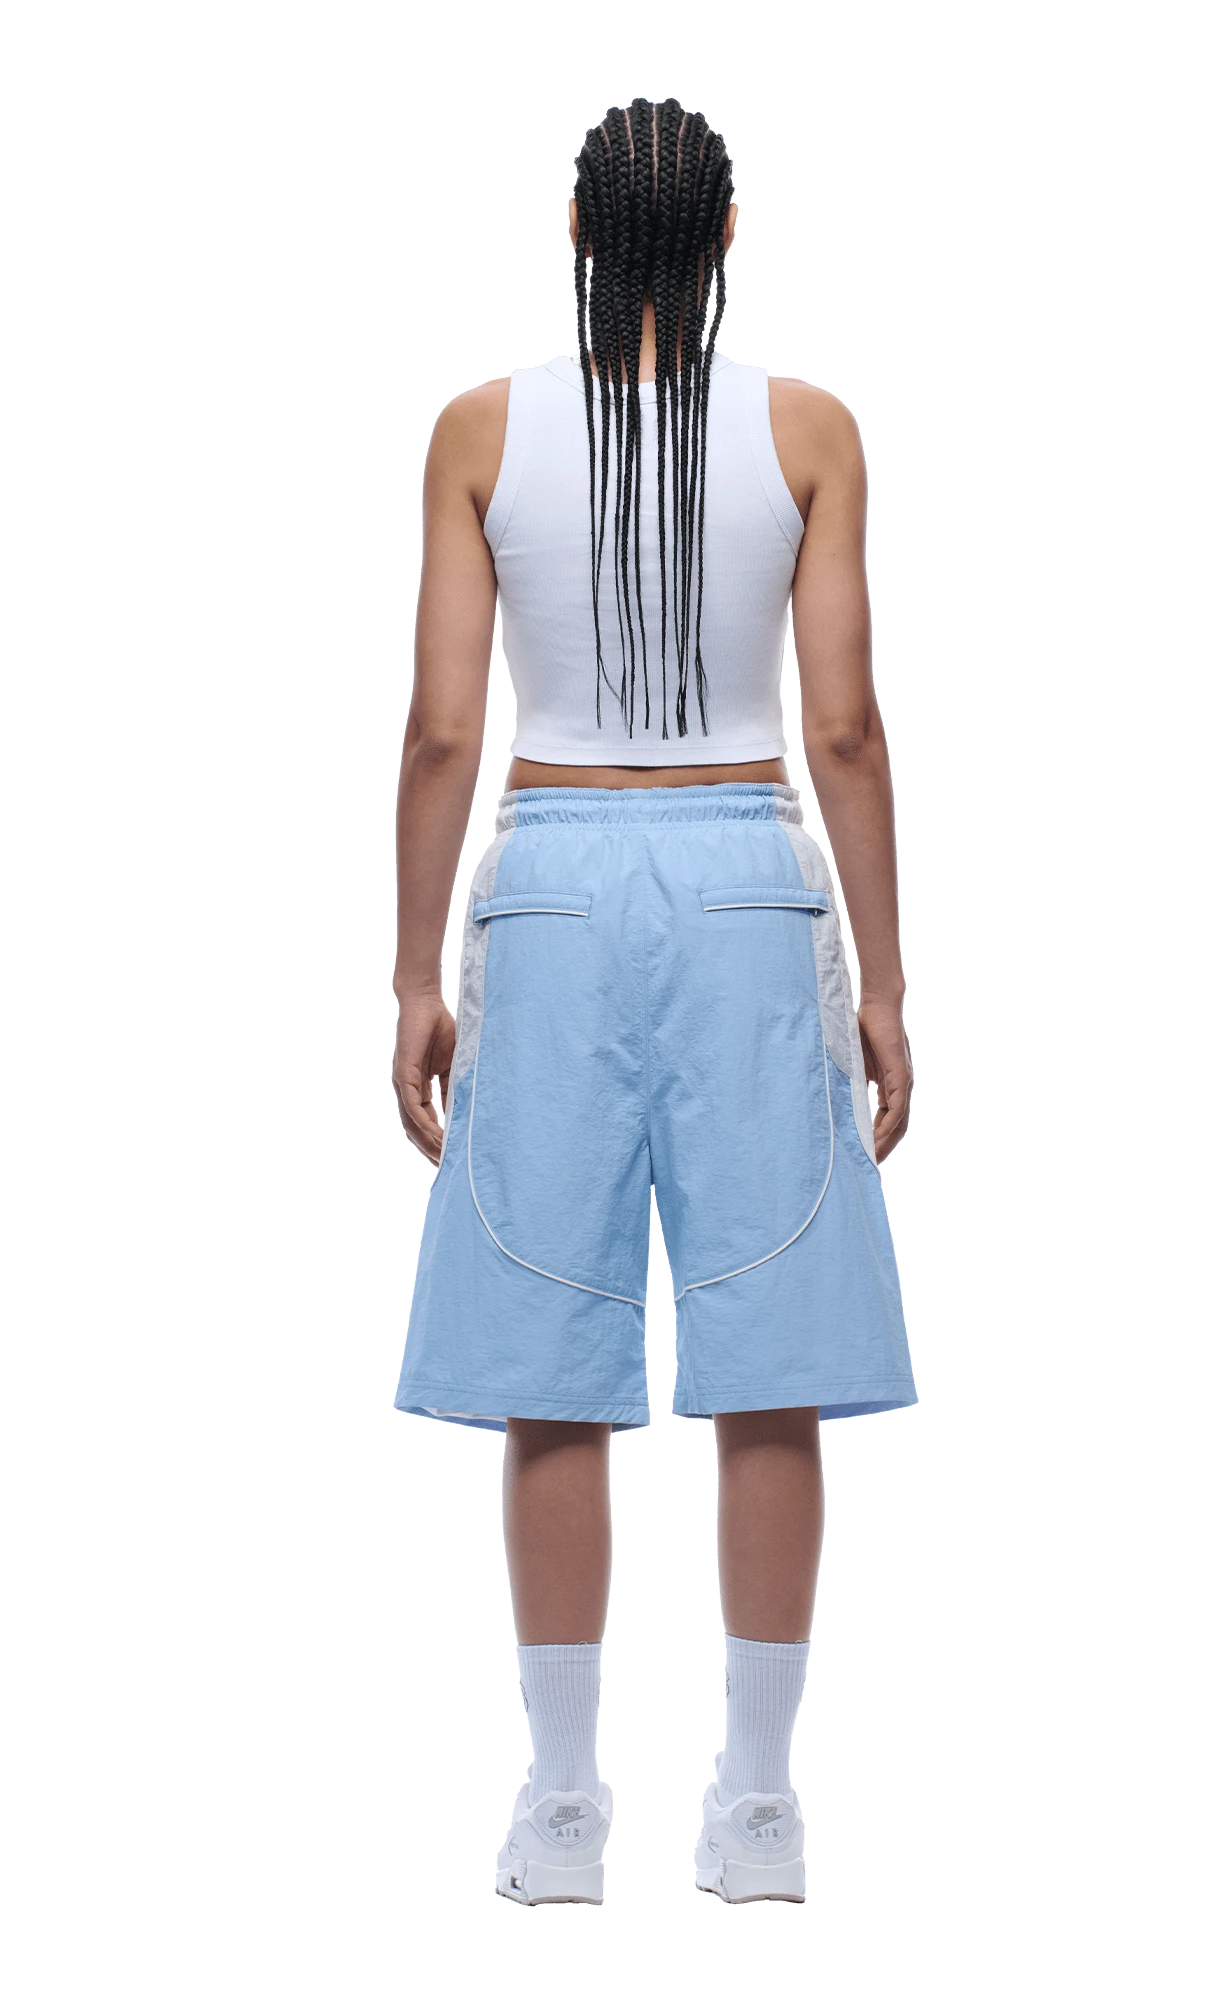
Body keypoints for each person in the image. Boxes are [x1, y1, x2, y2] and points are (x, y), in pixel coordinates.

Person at [392, 97, 916, 1907]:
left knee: (553, 1351)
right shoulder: (806, 428)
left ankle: (559, 1804)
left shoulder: (481, 430)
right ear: (731, 234)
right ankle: (757, 1802)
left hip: (547, 876)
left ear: (574, 228)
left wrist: (414, 976)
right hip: (747, 883)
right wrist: (885, 981)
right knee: (773, 1341)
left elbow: (443, 730)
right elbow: (843, 727)